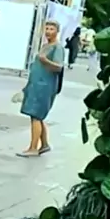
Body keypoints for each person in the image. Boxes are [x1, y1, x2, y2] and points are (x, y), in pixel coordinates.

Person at [18, 19, 65, 158]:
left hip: (45, 86)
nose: (48, 31)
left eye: (52, 29)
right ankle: (44, 144)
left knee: (36, 116)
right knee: (36, 116)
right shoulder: (45, 45)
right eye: (47, 28)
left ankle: (33, 148)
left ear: (57, 31)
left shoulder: (57, 47)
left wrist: (45, 61)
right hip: (36, 84)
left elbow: (59, 67)